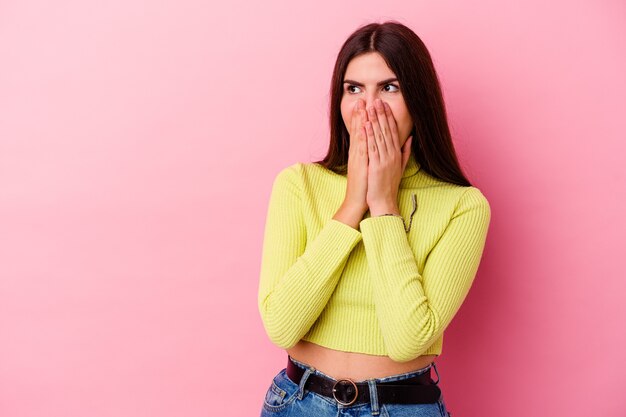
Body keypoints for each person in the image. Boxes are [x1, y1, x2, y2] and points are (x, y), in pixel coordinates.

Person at [257, 20, 491, 417]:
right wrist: (352, 205)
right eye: (354, 89)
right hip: (298, 403)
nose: (369, 107)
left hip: (403, 408)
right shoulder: (298, 185)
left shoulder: (463, 207)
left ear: (419, 100)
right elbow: (281, 326)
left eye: (389, 87)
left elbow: (406, 339)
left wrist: (384, 206)